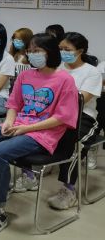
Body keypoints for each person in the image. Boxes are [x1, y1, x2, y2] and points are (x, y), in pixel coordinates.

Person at [0, 33, 79, 235]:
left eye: (37, 51)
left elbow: (63, 118)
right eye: (30, 51)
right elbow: (14, 104)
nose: (32, 54)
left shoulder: (65, 80)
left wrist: (26, 129)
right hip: (18, 125)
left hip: (43, 134)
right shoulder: (25, 76)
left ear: (50, 52)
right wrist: (9, 122)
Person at [46, 32, 102, 210]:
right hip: (55, 114)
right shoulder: (56, 69)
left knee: (75, 143)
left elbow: (80, 100)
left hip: (83, 116)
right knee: (31, 133)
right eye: (60, 48)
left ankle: (69, 190)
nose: (63, 52)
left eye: (67, 49)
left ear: (80, 51)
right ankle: (30, 175)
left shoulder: (91, 72)